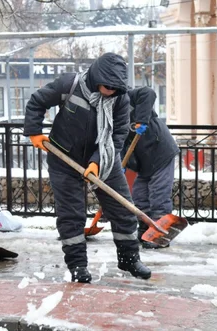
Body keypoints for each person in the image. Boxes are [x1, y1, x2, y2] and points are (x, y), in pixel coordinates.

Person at [23, 52, 151, 283]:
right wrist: (34, 132)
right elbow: (37, 101)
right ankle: (78, 266)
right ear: (95, 77)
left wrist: (97, 161)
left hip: (104, 158)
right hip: (64, 158)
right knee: (71, 215)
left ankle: (129, 258)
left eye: (115, 87)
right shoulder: (70, 85)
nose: (110, 91)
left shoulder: (121, 99)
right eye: (107, 85)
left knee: (123, 209)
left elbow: (119, 133)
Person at [122, 87, 179, 249]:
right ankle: (146, 229)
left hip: (160, 152)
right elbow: (118, 142)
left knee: (159, 194)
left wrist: (141, 120)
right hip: (143, 161)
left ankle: (161, 234)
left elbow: (148, 93)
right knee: (139, 196)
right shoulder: (109, 117)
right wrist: (120, 163)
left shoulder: (125, 97)